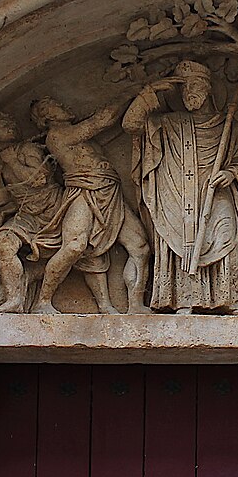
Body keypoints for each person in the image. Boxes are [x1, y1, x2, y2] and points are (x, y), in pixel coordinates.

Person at [123, 60, 238, 313]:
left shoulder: (227, 125)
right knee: (180, 238)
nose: (189, 93)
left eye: (194, 86)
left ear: (208, 90)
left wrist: (231, 172)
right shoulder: (168, 122)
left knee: (226, 233)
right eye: (184, 89)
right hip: (176, 193)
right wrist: (150, 92)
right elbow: (130, 125)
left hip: (216, 192)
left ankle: (229, 297)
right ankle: (183, 299)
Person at [29, 96, 151, 314]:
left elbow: (110, 129)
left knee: (140, 246)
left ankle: (135, 305)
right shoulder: (57, 136)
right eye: (56, 105)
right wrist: (138, 91)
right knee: (75, 246)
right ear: (46, 116)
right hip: (83, 193)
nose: (64, 105)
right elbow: (102, 121)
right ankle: (43, 301)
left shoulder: (79, 134)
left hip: (110, 194)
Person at [0, 111, 65, 314]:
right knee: (4, 241)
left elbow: (39, 178)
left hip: (51, 210)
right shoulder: (2, 160)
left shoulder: (27, 149)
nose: (10, 125)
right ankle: (13, 300)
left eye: (12, 121)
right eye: (3, 124)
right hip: (27, 214)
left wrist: (13, 161)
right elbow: (1, 199)